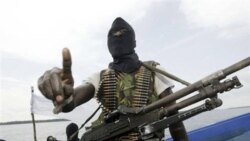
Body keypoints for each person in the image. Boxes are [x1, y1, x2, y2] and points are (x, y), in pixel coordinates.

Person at [38, 17, 188, 141]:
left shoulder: (153, 71)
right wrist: (64, 96)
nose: (117, 36)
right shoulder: (101, 77)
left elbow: (175, 120)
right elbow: (73, 100)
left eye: (123, 33)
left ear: (134, 42)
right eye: (112, 35)